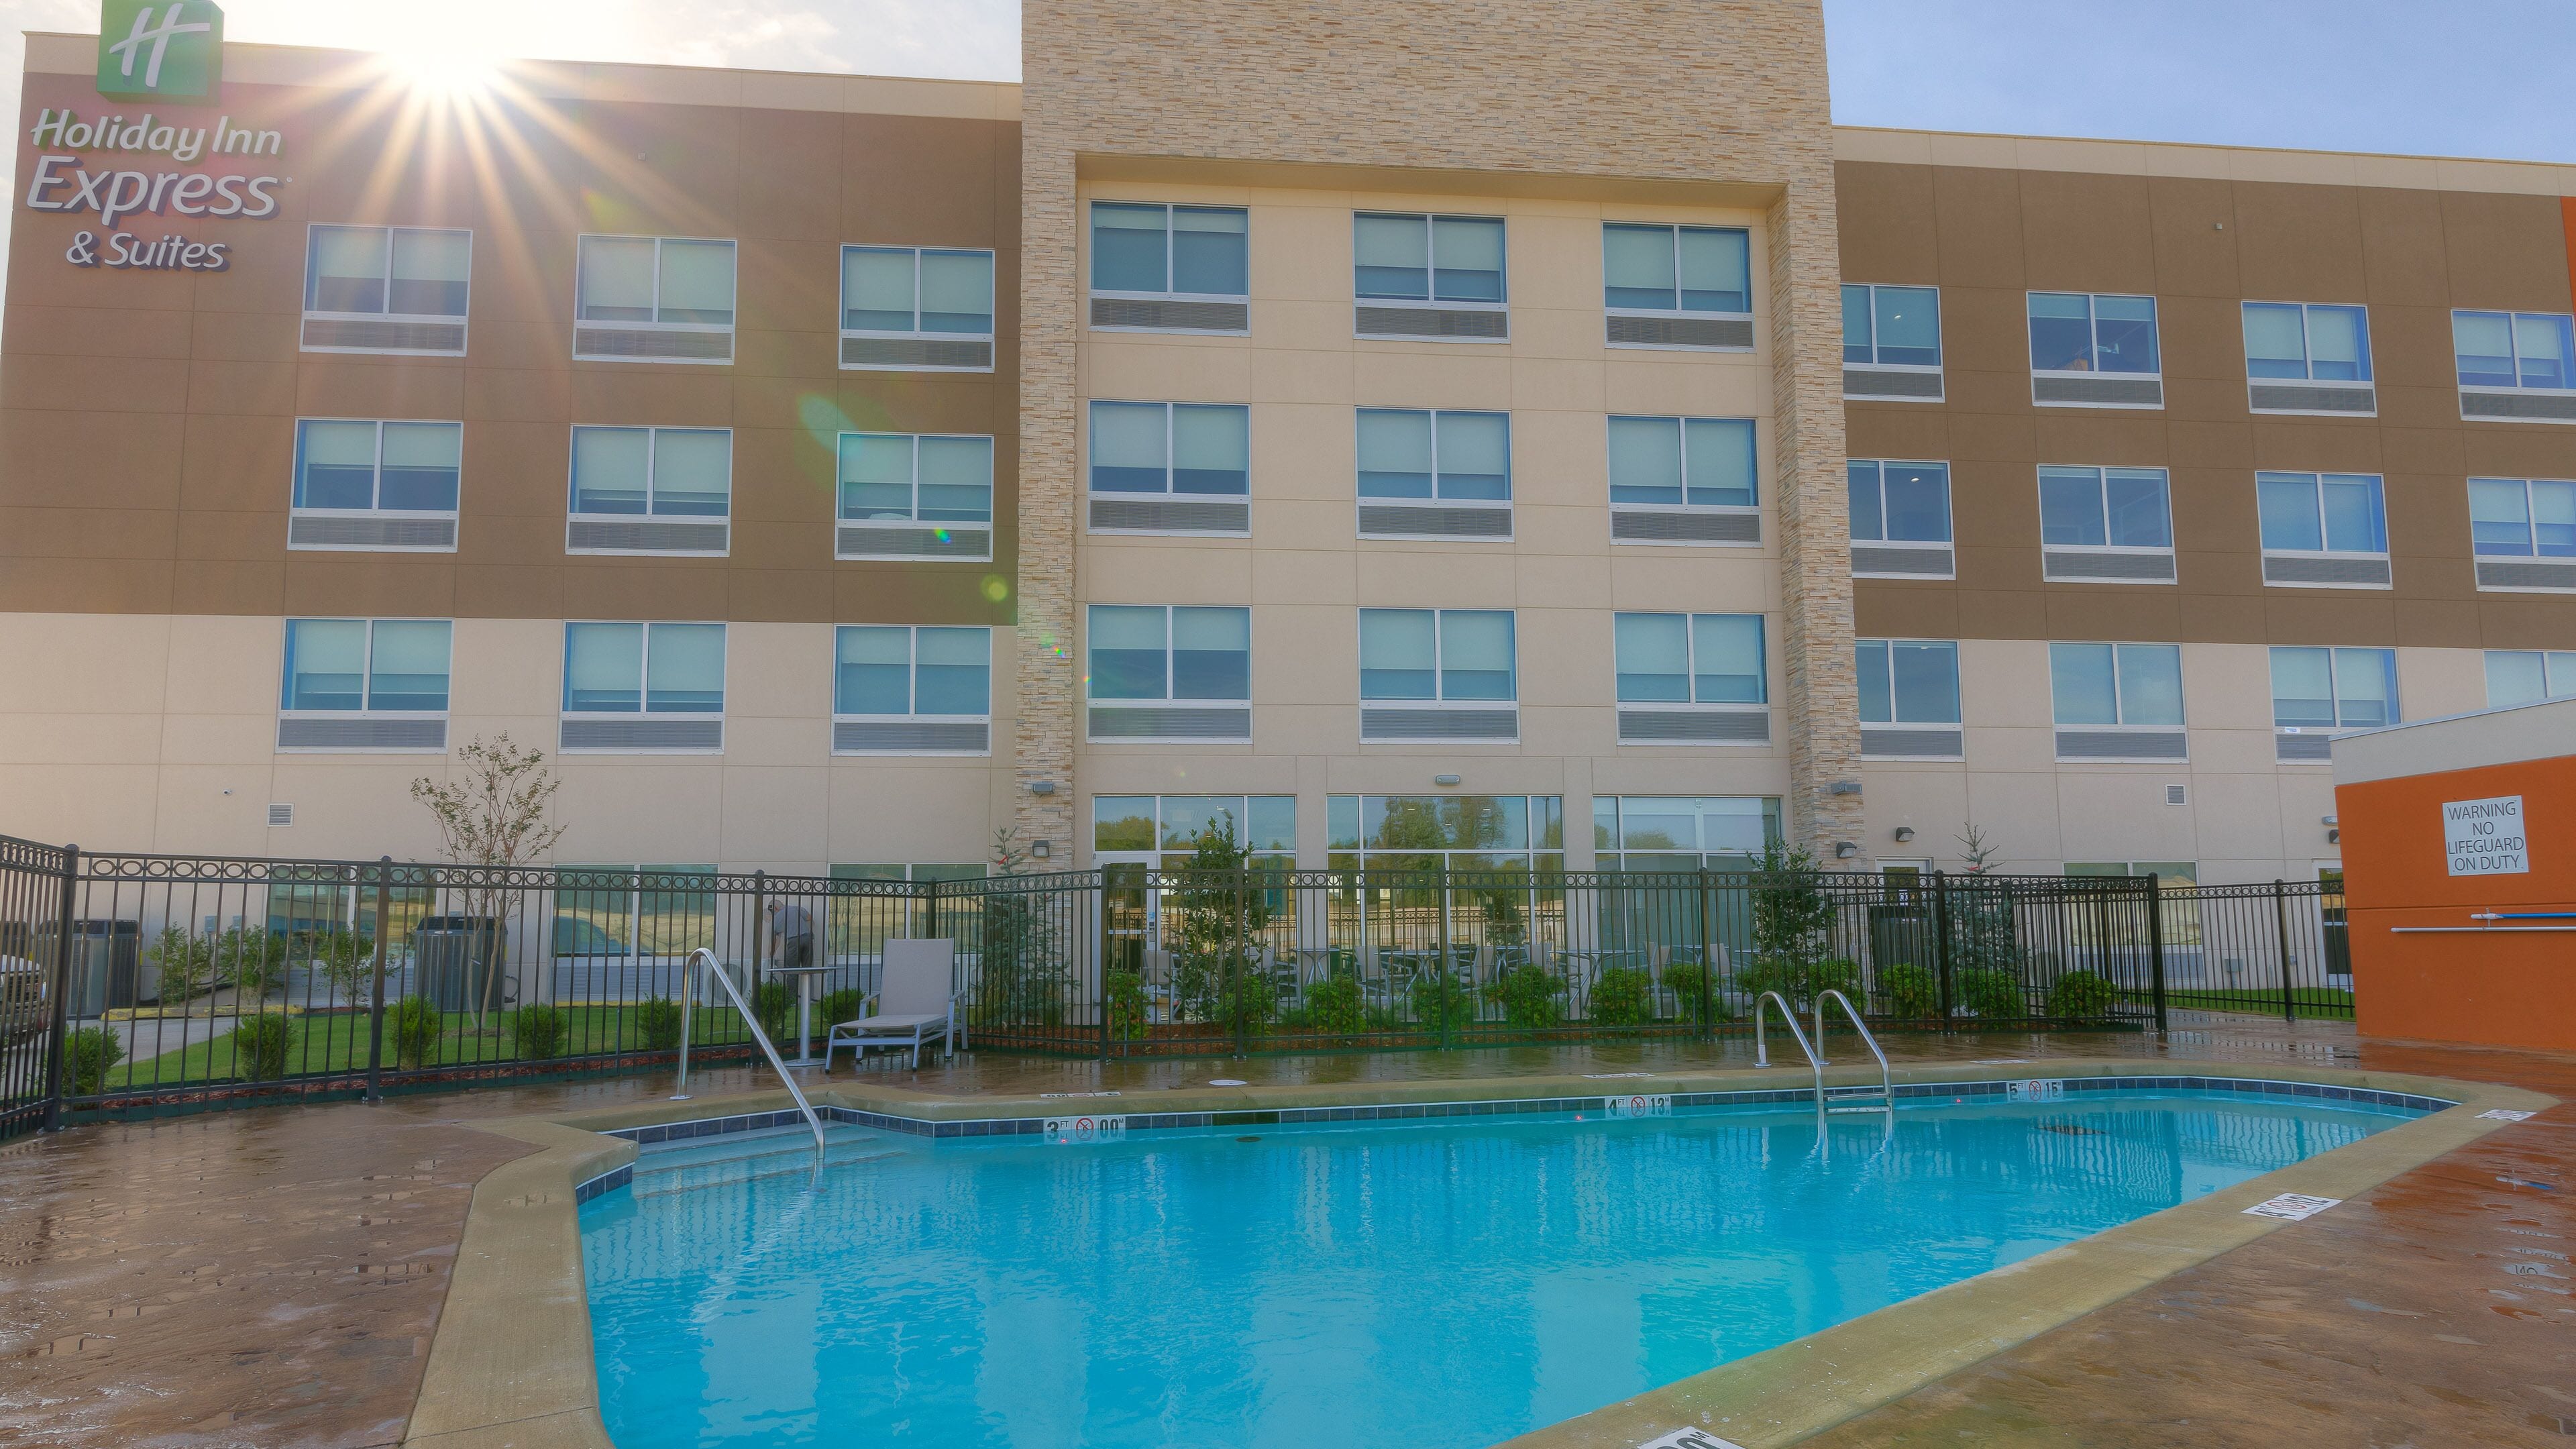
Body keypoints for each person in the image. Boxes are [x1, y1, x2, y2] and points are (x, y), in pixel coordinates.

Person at [765, 897, 814, 975]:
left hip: (794, 941)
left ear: (775, 908)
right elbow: (810, 918)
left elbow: (773, 943)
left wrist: (771, 956)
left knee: (792, 971)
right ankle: (808, 986)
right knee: (808, 970)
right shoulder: (797, 909)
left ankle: (792, 987)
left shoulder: (775, 921)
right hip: (808, 939)